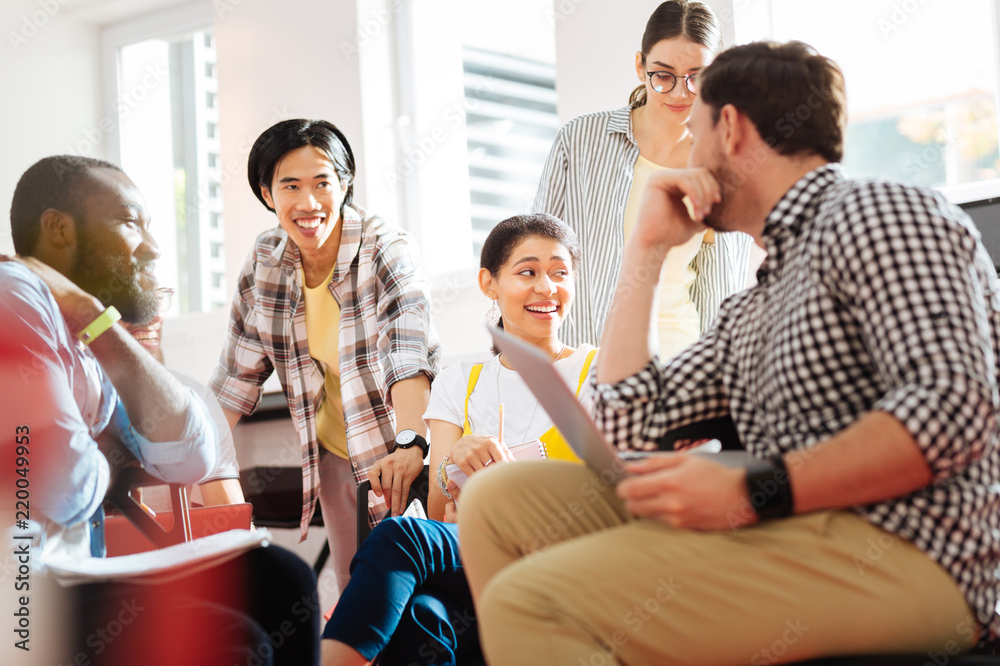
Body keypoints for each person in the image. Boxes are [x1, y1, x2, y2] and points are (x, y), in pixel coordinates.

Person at [459, 41, 999, 664]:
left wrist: (757, 489)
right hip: (794, 531)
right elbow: (625, 423)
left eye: (696, 130)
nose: (686, 152)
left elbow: (953, 407)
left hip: (912, 550)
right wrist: (647, 249)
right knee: (497, 500)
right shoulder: (754, 305)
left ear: (732, 128)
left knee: (529, 600)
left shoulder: (876, 213)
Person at [0, 155, 320, 665]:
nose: (151, 247)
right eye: (129, 222)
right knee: (234, 639)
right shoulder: (13, 297)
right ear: (58, 229)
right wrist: (113, 455)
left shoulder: (80, 328)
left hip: (70, 575)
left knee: (284, 580)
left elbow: (190, 454)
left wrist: (96, 322)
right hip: (22, 602)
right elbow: (63, 485)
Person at [320, 214, 596, 666]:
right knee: (421, 618)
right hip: (477, 557)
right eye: (527, 272)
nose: (546, 287)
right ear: (489, 283)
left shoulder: (596, 372)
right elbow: (437, 513)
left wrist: (486, 495)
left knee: (400, 536)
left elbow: (606, 495)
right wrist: (455, 468)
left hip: (559, 557)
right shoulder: (459, 383)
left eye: (560, 273)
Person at [211, 119, 441, 594]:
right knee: (357, 589)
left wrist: (410, 444)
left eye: (323, 183)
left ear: (345, 184)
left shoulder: (386, 248)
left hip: (404, 446)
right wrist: (183, 458)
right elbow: (236, 379)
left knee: (415, 593)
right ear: (267, 192)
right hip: (333, 453)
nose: (309, 202)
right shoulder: (266, 261)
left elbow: (407, 353)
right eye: (290, 186)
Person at [535, 0, 751, 358]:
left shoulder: (725, 165)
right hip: (587, 362)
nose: (681, 93)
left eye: (697, 77)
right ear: (640, 66)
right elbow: (537, 253)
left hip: (680, 363)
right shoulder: (580, 140)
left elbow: (722, 285)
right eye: (663, 75)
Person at [122, 287, 246, 508]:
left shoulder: (196, 400)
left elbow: (232, 521)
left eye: (156, 298)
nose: (153, 315)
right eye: (129, 300)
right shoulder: (64, 400)